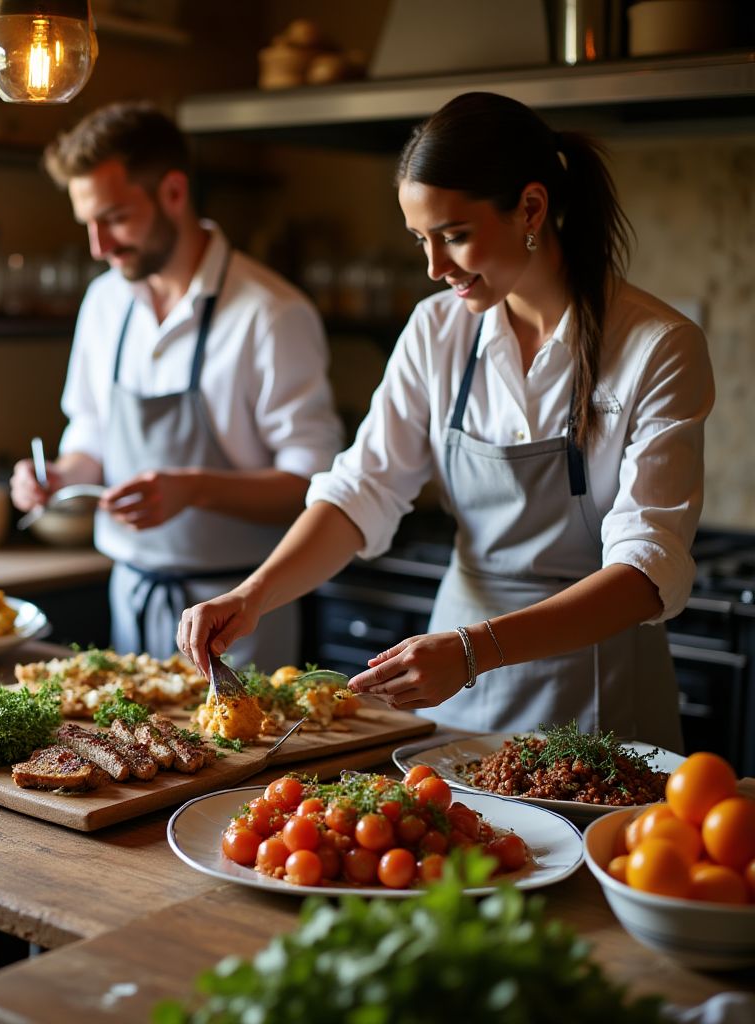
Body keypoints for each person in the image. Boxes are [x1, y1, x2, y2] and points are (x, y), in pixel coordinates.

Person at [178, 91, 714, 752]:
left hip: (595, 687)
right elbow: (362, 490)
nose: (434, 268)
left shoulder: (658, 345)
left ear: (532, 209)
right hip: (454, 682)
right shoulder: (437, 330)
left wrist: (474, 649)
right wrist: (254, 595)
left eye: (454, 235)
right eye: (420, 241)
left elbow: (644, 572)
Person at [10, 101, 343, 667]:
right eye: (87, 223)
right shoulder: (104, 302)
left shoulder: (272, 314)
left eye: (114, 217)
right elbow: (90, 435)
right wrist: (63, 478)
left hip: (241, 619)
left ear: (172, 191)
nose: (99, 246)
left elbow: (315, 485)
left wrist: (195, 488)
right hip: (132, 600)